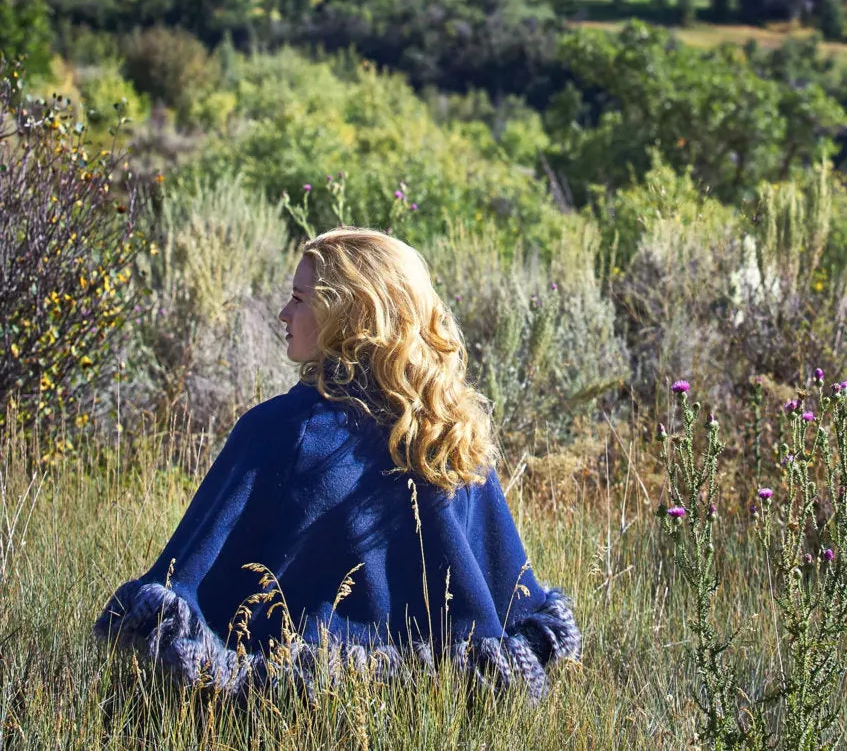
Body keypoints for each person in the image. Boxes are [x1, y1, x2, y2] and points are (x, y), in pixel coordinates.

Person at [94, 227, 580, 701]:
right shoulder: (449, 438)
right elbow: (512, 609)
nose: (284, 313)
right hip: (449, 709)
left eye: (299, 298)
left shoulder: (280, 430)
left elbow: (184, 593)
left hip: (288, 709)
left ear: (349, 314)